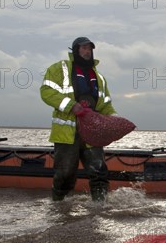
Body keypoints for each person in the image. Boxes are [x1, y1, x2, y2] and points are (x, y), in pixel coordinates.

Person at [40, 37, 117, 202]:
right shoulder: (59, 68)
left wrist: (113, 120)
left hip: (92, 133)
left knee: (99, 171)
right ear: (75, 50)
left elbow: (105, 104)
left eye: (89, 48)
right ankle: (59, 207)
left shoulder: (99, 77)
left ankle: (100, 207)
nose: (87, 51)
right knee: (65, 172)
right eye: (83, 48)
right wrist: (71, 105)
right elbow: (46, 91)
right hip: (68, 133)